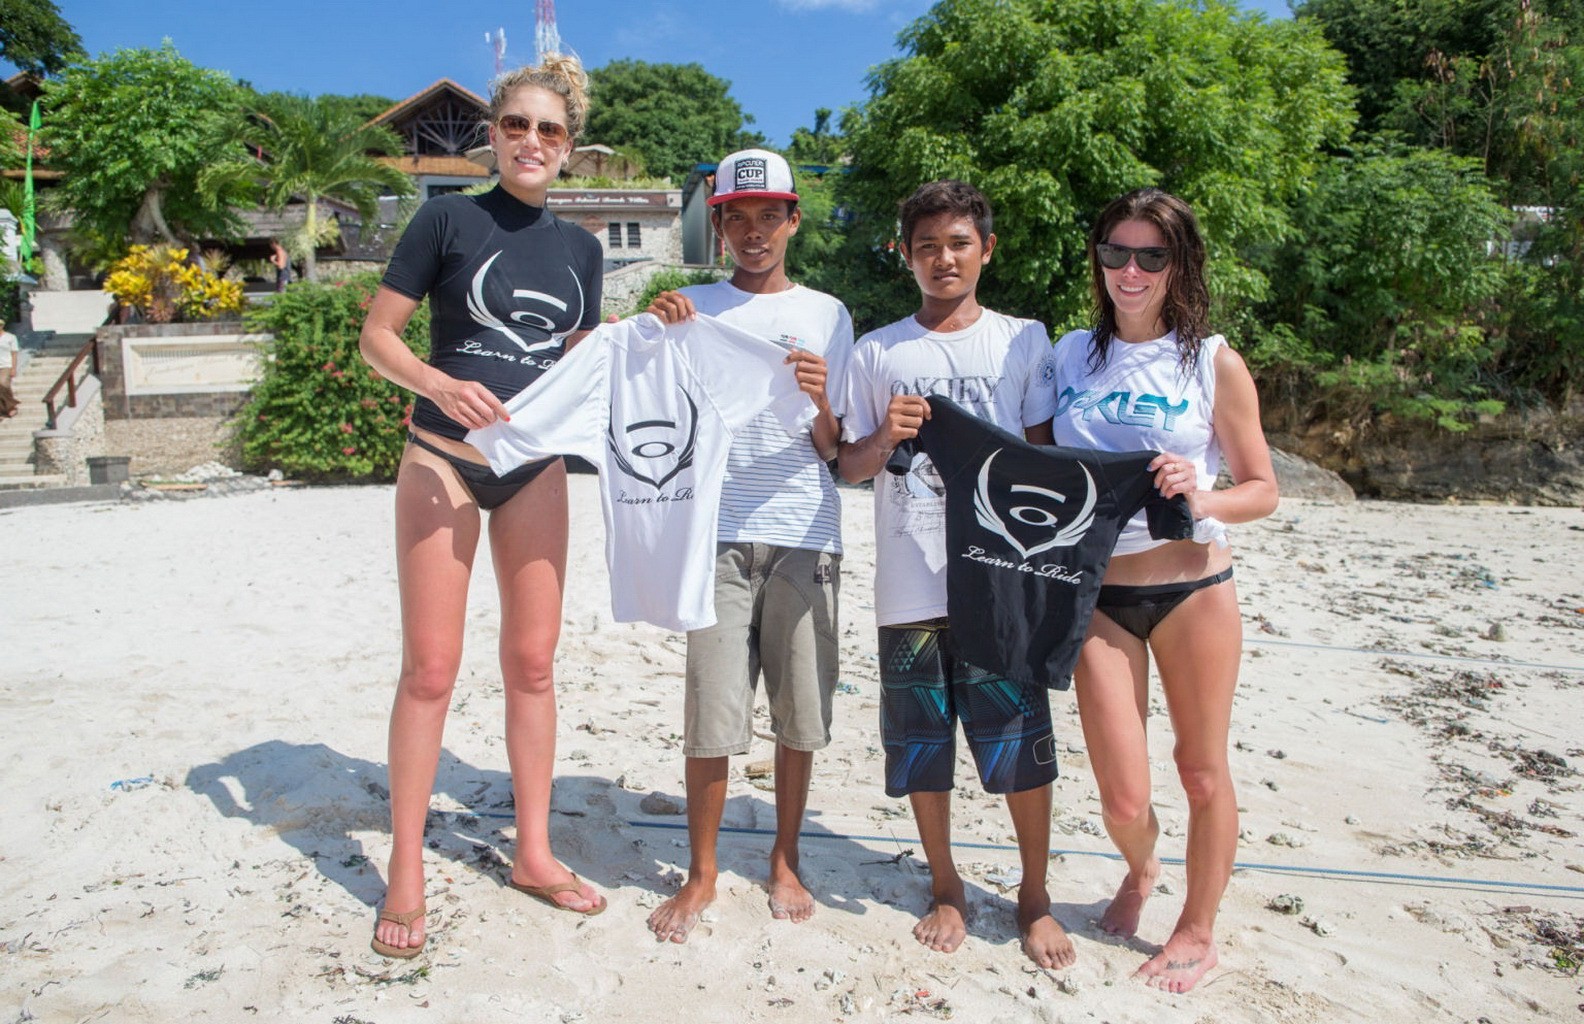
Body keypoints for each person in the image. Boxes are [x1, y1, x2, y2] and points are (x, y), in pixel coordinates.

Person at [357, 54, 606, 960]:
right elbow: (376, 336)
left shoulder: (581, 248)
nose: (531, 141)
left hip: (535, 471)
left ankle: (533, 852)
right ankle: (407, 865)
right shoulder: (445, 218)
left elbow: (584, 370)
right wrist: (438, 381)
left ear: (568, 147)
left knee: (533, 664)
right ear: (491, 136)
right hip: (442, 461)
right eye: (515, 126)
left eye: (548, 129)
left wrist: (648, 336)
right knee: (430, 668)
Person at [837, 180, 1075, 970]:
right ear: (904, 255)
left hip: (1001, 582)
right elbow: (848, 466)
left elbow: (1047, 460)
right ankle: (947, 885)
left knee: (1019, 741)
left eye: (959, 243)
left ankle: (1034, 894)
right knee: (922, 743)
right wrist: (882, 434)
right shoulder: (877, 351)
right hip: (908, 585)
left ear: (987, 250)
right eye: (927, 245)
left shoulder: (1024, 340)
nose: (944, 258)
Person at [1052, 187, 1278, 993]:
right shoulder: (1070, 353)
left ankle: (1197, 927)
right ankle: (1143, 869)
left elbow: (1262, 488)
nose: (1132, 271)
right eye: (1117, 253)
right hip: (1100, 596)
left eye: (1153, 255)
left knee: (1203, 772)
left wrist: (1201, 496)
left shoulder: (1214, 360)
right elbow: (1037, 467)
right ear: (1099, 259)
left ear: (1180, 265)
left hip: (1195, 590)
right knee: (1121, 797)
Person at [641, 149, 853, 943]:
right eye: (738, 217)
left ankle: (786, 856)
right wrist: (657, 336)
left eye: (771, 216)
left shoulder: (830, 313)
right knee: (713, 712)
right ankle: (701, 874)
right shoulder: (689, 307)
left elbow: (837, 448)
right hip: (716, 537)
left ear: (794, 220)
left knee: (800, 713)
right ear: (718, 223)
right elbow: (649, 405)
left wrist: (821, 397)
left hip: (806, 533)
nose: (754, 232)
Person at [0, 319, 18, 418]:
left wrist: (13, 368)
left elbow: (14, 353)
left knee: (3, 384)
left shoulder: (10, 337)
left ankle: (11, 406)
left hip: (6, 365)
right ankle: (5, 409)